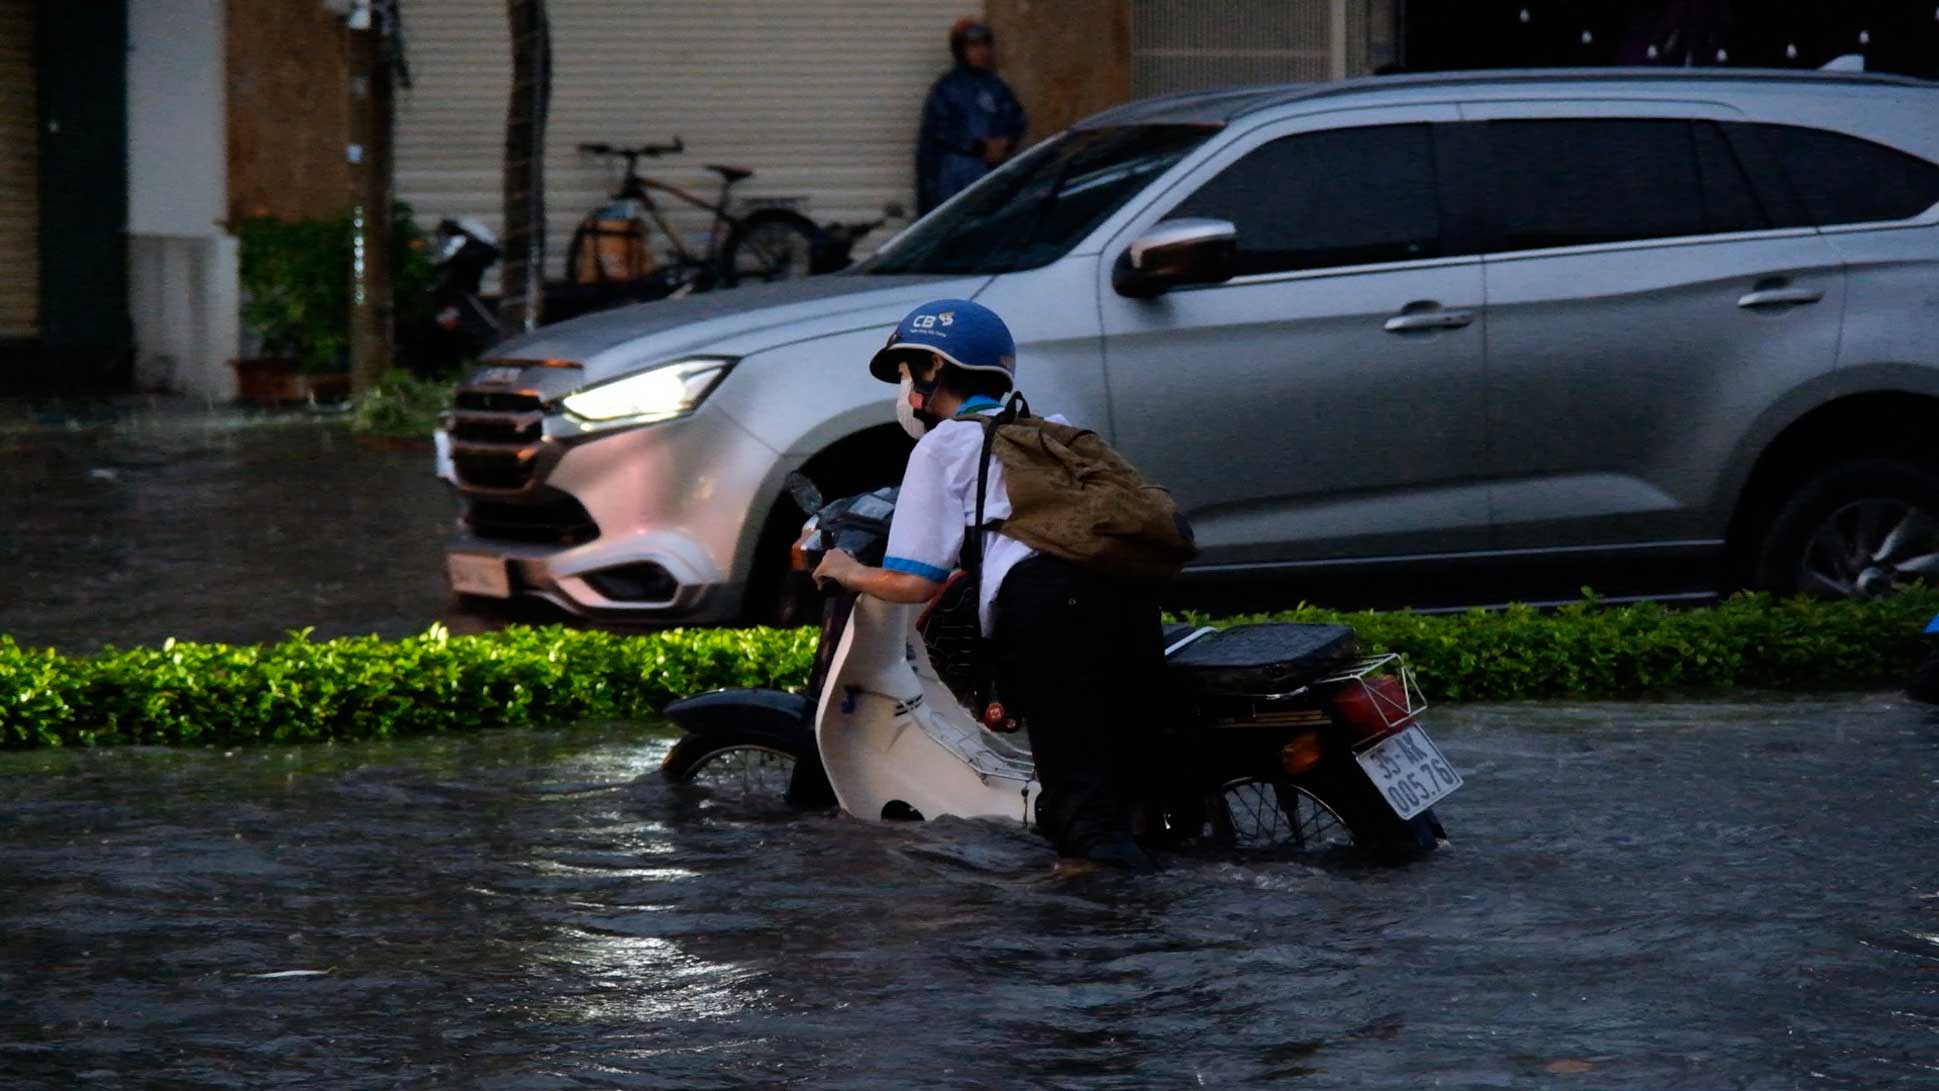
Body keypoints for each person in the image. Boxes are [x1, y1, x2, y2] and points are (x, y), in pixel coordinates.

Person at [811, 299, 1163, 873]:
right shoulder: (1053, 429)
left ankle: (1101, 938)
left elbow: (911, 580)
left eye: (905, 373)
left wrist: (845, 570)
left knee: (1082, 814)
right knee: (1120, 775)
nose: (903, 390)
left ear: (933, 369)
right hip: (1129, 598)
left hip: (1051, 607)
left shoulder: (944, 445)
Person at [915, 17, 1027, 216]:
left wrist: (1005, 144)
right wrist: (979, 147)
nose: (981, 52)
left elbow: (1016, 119)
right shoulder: (947, 89)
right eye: (973, 46)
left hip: (991, 177)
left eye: (985, 45)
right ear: (960, 50)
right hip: (955, 179)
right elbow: (940, 132)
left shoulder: (996, 87)